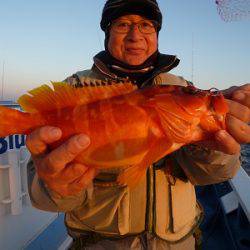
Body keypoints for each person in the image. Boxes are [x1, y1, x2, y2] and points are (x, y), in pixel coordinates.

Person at [27, 0, 250, 249]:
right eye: (123, 25)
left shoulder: (180, 88)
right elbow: (44, 200)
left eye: (146, 25)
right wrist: (53, 184)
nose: (135, 36)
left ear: (156, 35)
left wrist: (214, 147)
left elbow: (212, 175)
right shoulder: (75, 91)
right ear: (107, 32)